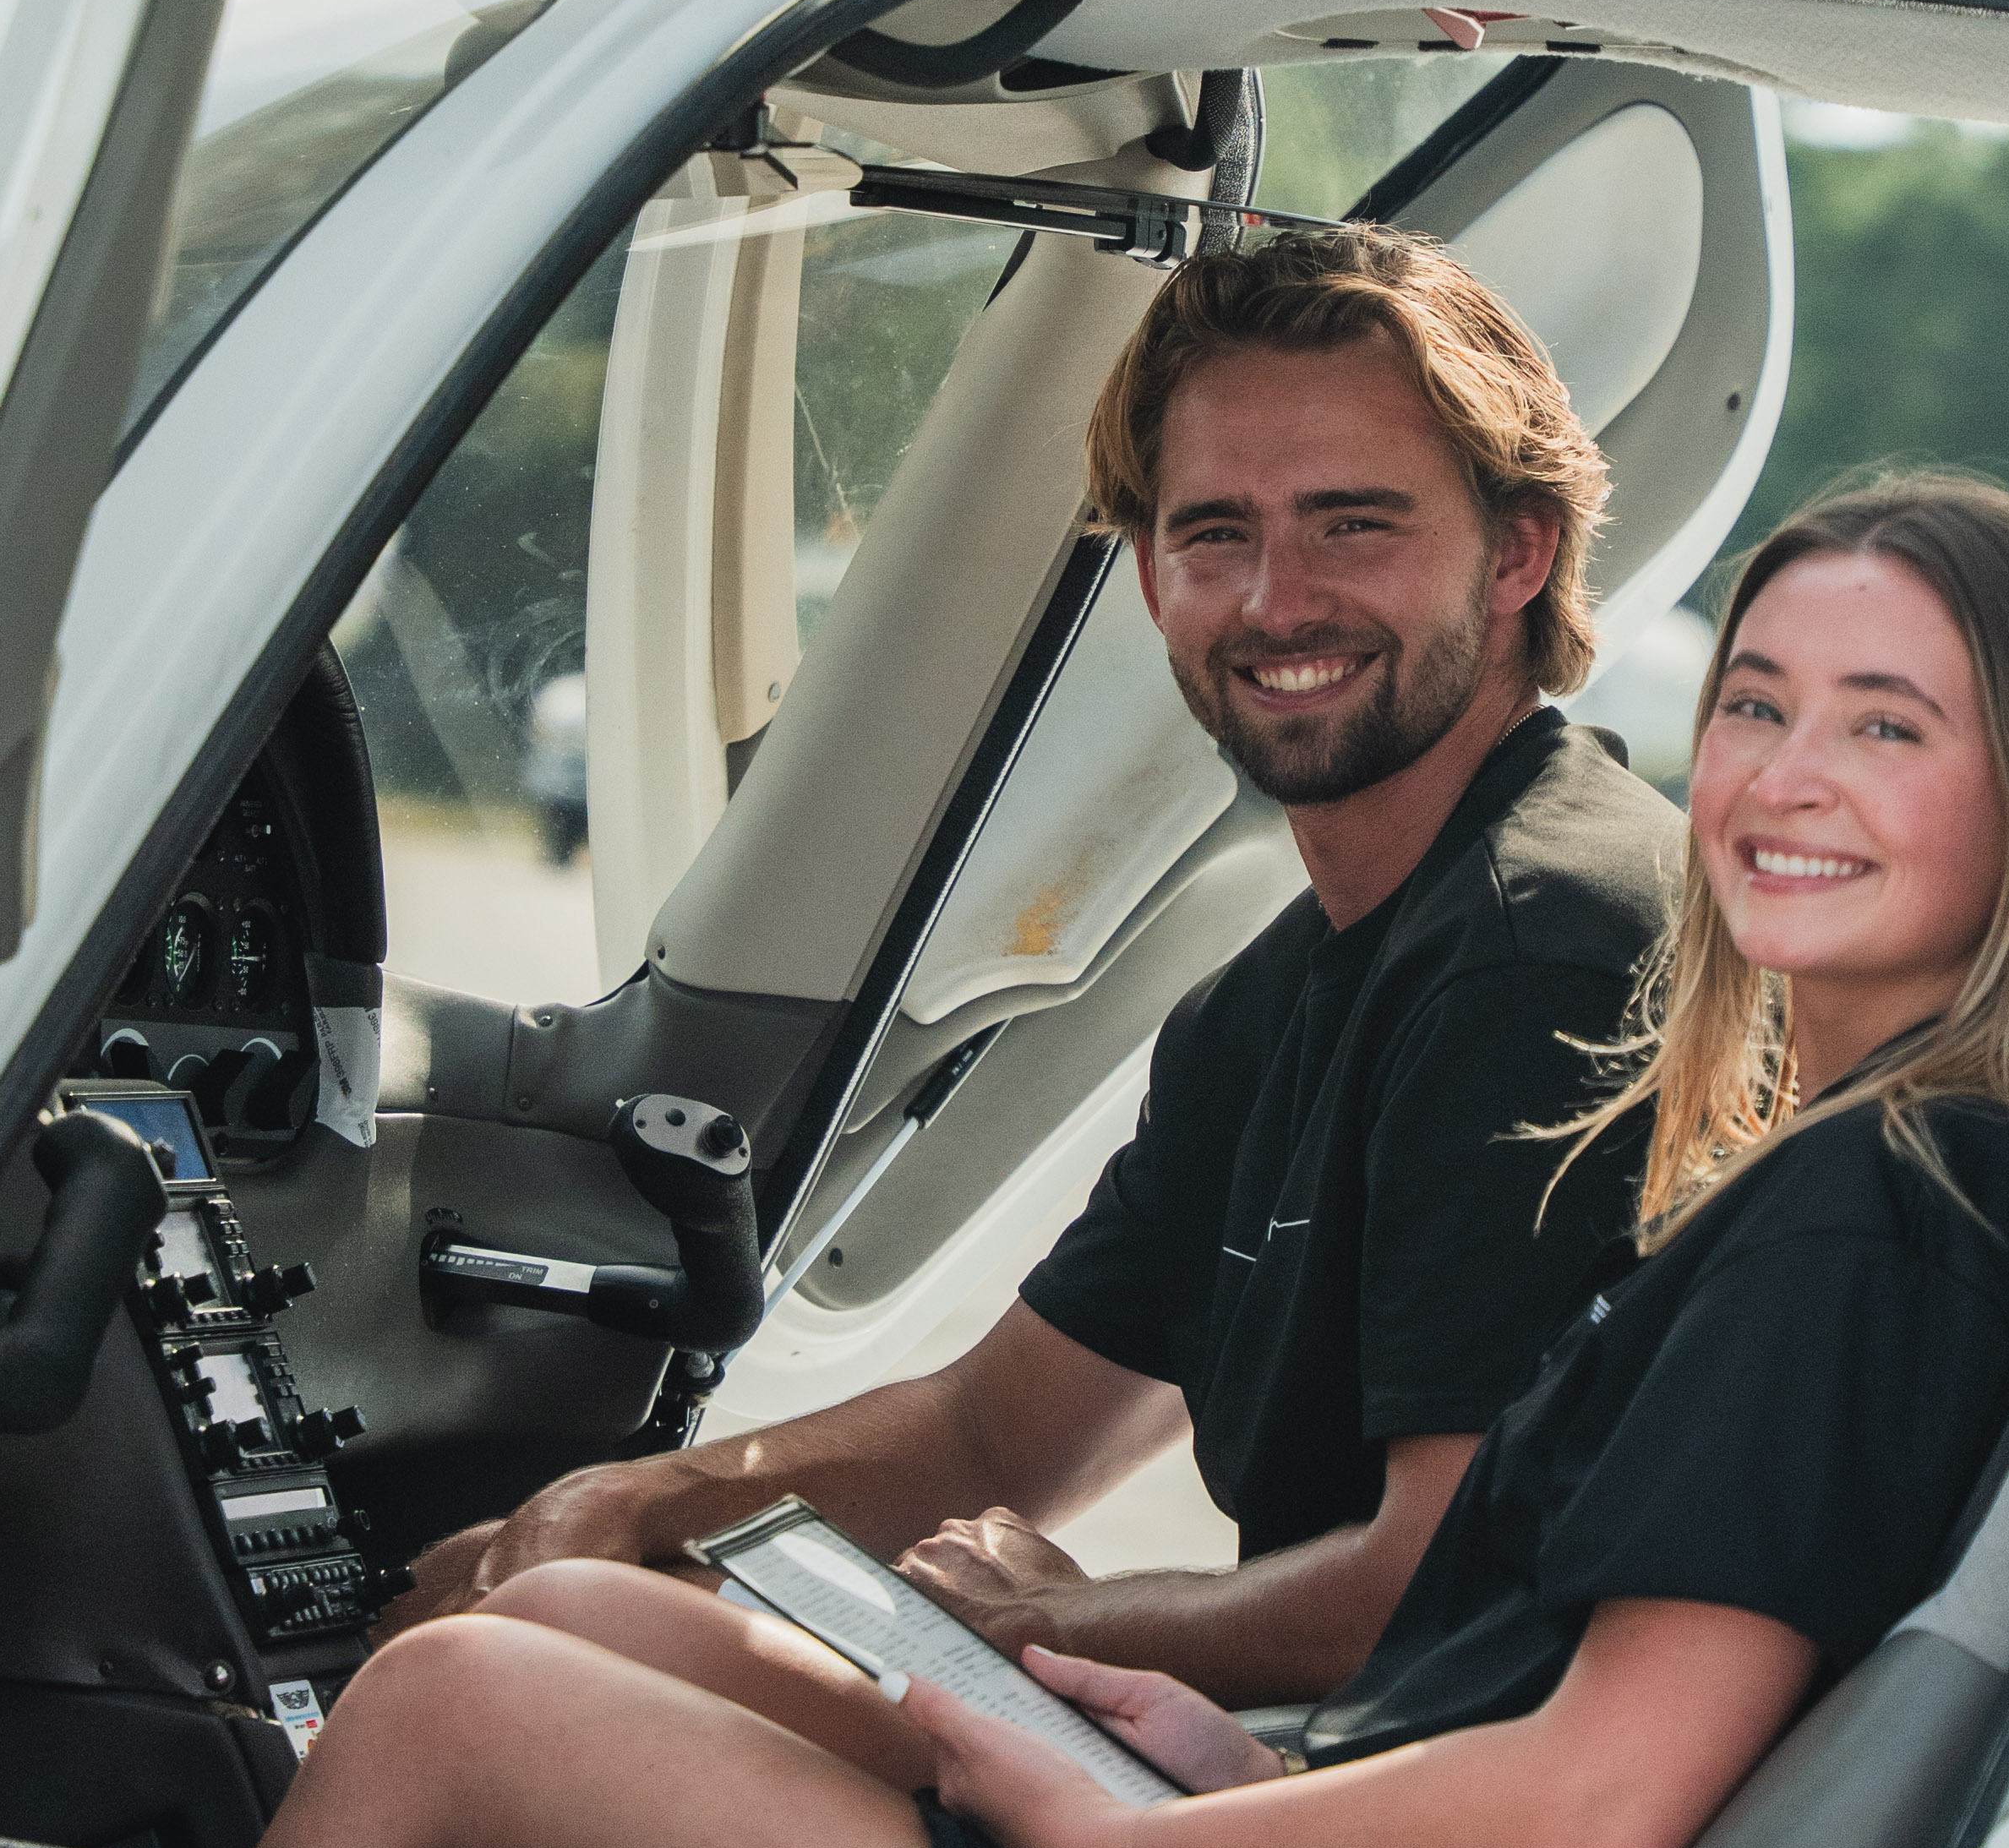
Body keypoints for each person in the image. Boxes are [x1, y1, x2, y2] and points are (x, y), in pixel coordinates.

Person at [254, 474, 2009, 1848]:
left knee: (449, 1708)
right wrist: (1243, 1757)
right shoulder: (1896, 1168)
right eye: (1757, 706)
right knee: (602, 1616)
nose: (1783, 779)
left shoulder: (1869, 1218)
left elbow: (1601, 1805)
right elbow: (1516, 1696)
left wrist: (1149, 1844)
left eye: (1885, 727)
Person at [380, 224, 1686, 1707]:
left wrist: (1053, 1628)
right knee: (512, 1617)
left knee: (482, 1695)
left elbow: (1443, 1589)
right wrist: (622, 1506)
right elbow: (995, 1439)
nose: (1274, 601)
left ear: (1518, 550)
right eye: (1214, 535)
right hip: (1291, 1764)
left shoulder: (1543, 952)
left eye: (1353, 524)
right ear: (1147, 575)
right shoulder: (1281, 1000)